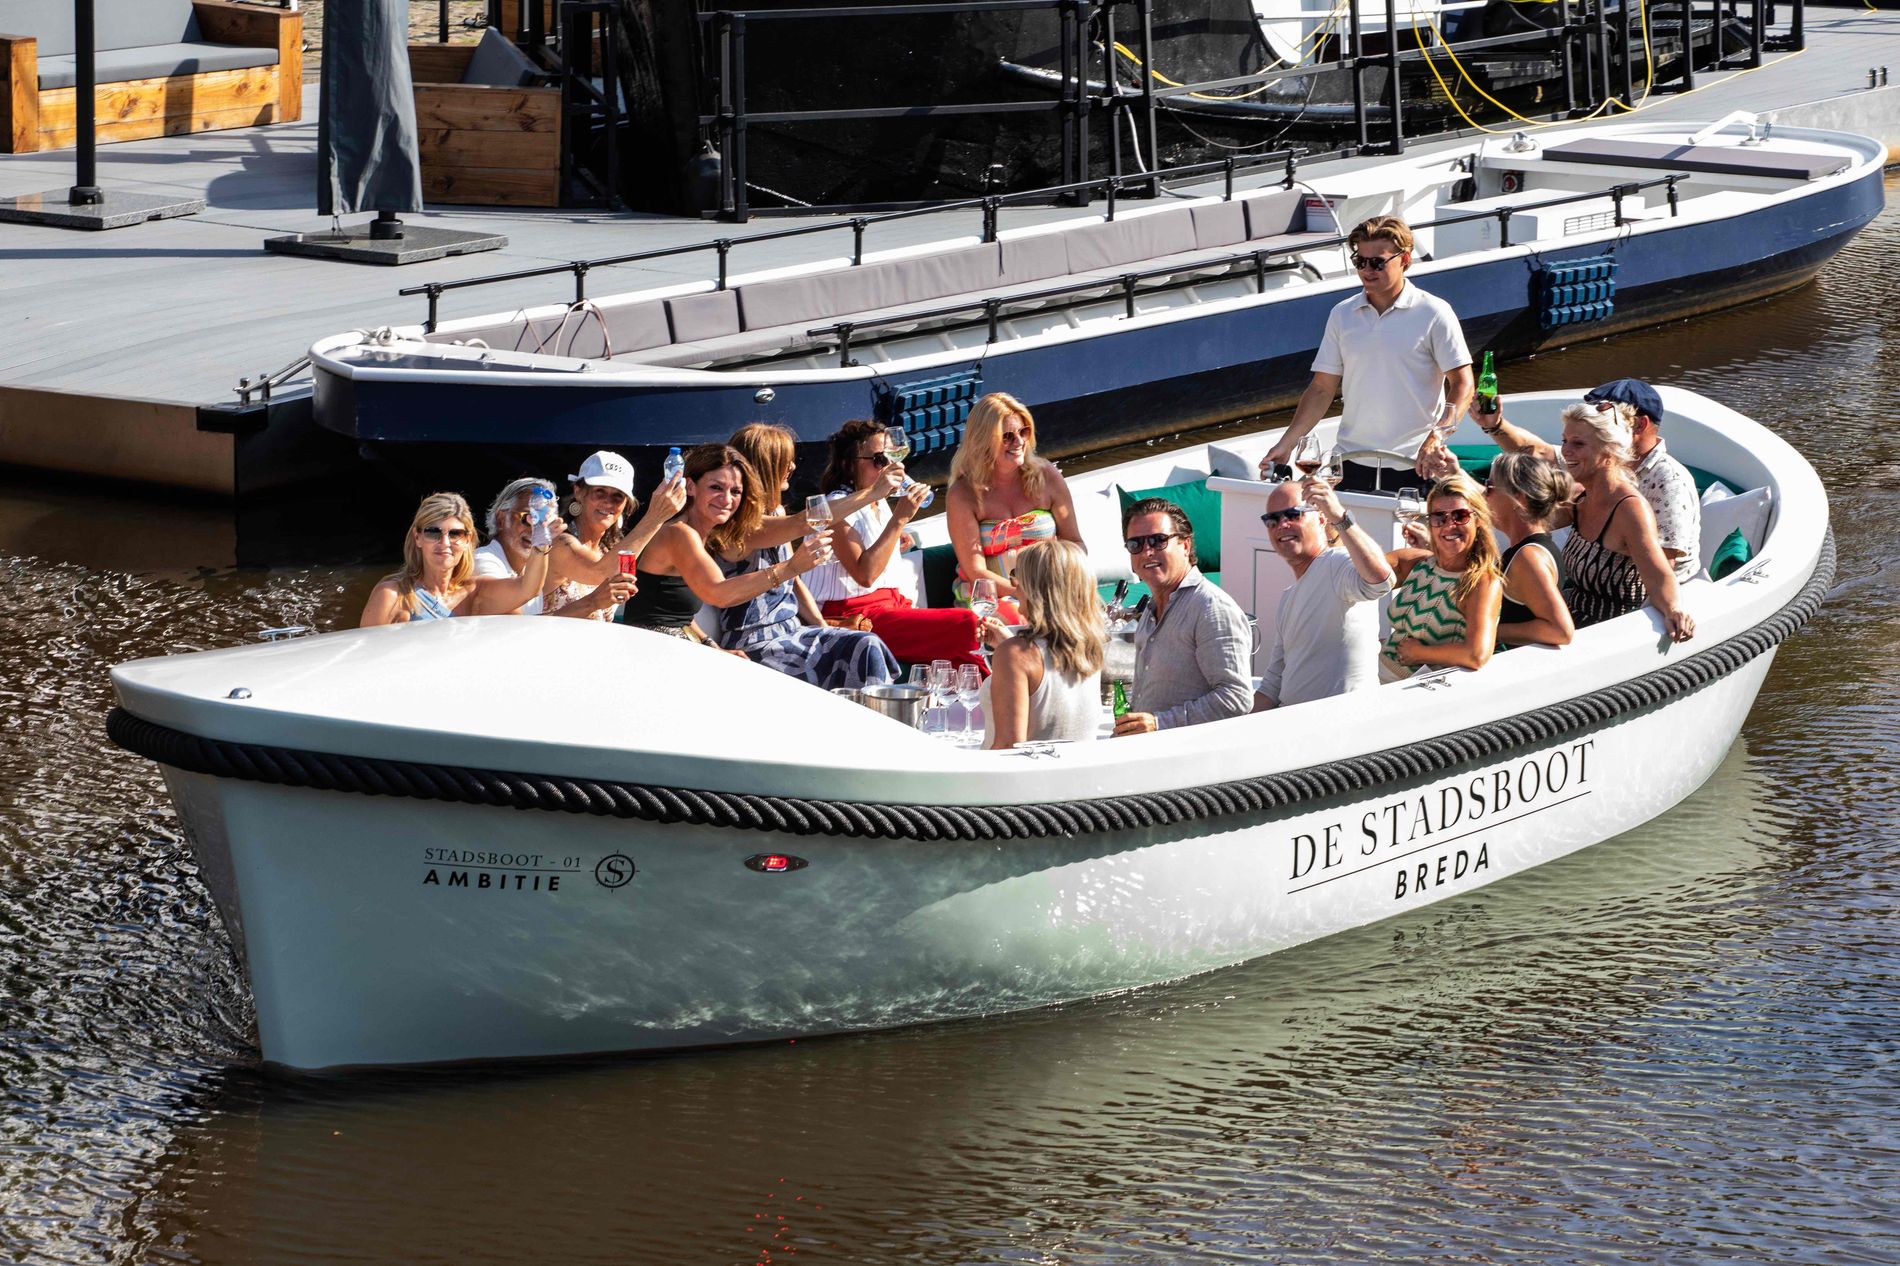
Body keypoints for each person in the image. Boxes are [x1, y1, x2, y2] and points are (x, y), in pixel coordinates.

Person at [1258, 216, 1473, 489]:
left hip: (1417, 464)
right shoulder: (1341, 314)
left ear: (1405, 260)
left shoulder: (1434, 312)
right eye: (1360, 261)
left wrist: (1437, 437)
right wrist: (1286, 444)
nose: (1367, 270)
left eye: (1377, 262)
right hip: (1350, 462)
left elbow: (1463, 384)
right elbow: (1322, 389)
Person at [710, 424, 902, 690]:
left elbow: (796, 585)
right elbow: (804, 522)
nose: (792, 467)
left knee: (862, 642)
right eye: (785, 461)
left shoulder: (776, 512)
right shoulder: (738, 527)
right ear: (766, 467)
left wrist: (825, 628)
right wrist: (872, 493)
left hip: (793, 631)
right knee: (864, 647)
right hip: (757, 643)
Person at [807, 418, 991, 670]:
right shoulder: (835, 509)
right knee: (967, 622)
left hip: (890, 606)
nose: (890, 468)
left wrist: (898, 534)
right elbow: (866, 574)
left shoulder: (878, 499)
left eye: (893, 459)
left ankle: (983, 698)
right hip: (853, 616)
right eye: (880, 460)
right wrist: (900, 518)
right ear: (848, 464)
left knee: (975, 641)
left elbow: (872, 546)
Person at [1473, 378, 1700, 579]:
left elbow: (1666, 565)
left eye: (1602, 417)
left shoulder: (1670, 480)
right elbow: (1538, 452)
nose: (1592, 422)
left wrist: (1614, 535)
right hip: (1589, 580)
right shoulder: (1592, 460)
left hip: (1640, 601)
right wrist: (1495, 425)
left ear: (1639, 424)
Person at [617, 444, 831, 646]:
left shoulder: (702, 533)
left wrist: (711, 645)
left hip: (672, 640)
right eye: (716, 487)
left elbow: (676, 614)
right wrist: (791, 567)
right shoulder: (678, 533)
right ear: (690, 486)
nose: (726, 499)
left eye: (735, 492)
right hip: (649, 646)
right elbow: (719, 593)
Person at [1250, 476, 1393, 711]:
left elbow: (1381, 581)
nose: (1282, 524)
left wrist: (1340, 517)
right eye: (1272, 520)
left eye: (1293, 514)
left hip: (1342, 728)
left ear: (1321, 519)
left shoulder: (1337, 564)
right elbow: (1272, 686)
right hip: (1295, 727)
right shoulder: (1288, 598)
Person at [1555, 403, 1696, 641]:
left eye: (1577, 443)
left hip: (1610, 632)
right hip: (1570, 616)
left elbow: (1659, 575)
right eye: (1565, 441)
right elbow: (1530, 522)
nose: (1565, 451)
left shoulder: (1630, 509)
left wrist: (1674, 609)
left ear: (1609, 450)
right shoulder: (1582, 498)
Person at [1113, 498, 1252, 735]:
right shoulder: (1152, 608)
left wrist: (1159, 724)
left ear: (1185, 545)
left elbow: (1236, 698)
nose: (1147, 551)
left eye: (1158, 541)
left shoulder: (1210, 607)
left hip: (1188, 761)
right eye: (1135, 544)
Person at [946, 393, 1084, 618]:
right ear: (983, 440)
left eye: (1023, 432)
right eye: (1007, 436)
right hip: (990, 596)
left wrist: (1059, 584)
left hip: (1052, 588)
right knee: (1019, 618)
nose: (1019, 441)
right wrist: (1025, 595)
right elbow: (976, 572)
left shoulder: (1046, 475)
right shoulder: (962, 494)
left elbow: (1075, 542)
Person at [359, 492, 557, 626]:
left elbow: (528, 589)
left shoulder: (474, 593)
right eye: (433, 532)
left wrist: (541, 541)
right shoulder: (392, 595)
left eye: (455, 534)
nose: (444, 542)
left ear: (467, 539)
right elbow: (364, 661)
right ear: (417, 537)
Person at [978, 540, 1104, 748]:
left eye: (1018, 578)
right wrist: (1008, 643)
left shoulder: (1016, 654)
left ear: (1035, 589)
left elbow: (1008, 749)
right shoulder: (1091, 645)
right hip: (1082, 775)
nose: (1014, 587)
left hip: (1030, 778)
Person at [1380, 473, 1503, 682]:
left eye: (1460, 516)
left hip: (1412, 689)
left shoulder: (1481, 582)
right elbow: (1359, 572)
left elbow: (1476, 654)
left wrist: (1420, 653)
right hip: (1378, 672)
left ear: (1479, 520)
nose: (1449, 525)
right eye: (1439, 517)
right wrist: (1336, 527)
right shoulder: (1420, 563)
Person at [541, 450, 688, 621]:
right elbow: (598, 573)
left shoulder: (612, 547)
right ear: (578, 491)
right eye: (600, 491)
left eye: (618, 496)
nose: (608, 502)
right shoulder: (559, 542)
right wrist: (654, 518)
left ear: (626, 504)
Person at [474, 476, 631, 618]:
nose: (538, 530)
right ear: (501, 519)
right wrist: (592, 602)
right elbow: (522, 630)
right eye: (528, 518)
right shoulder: (484, 562)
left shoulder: (533, 568)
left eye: (546, 522)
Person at [1484, 452, 1575, 651]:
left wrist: (1487, 630)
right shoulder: (1530, 549)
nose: (1484, 495)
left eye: (1489, 488)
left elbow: (1560, 630)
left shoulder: (1529, 558)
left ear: (1519, 499)